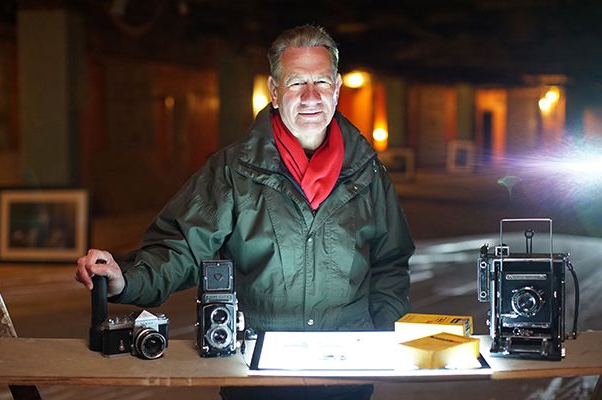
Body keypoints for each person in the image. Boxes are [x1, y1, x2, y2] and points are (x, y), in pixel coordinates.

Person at [75, 24, 414, 400]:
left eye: (321, 82)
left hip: (345, 374)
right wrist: (125, 279)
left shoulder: (367, 172)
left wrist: (377, 333)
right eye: (296, 83)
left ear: (336, 88)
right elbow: (183, 247)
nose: (311, 96)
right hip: (255, 370)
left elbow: (391, 261)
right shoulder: (233, 170)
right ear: (273, 91)